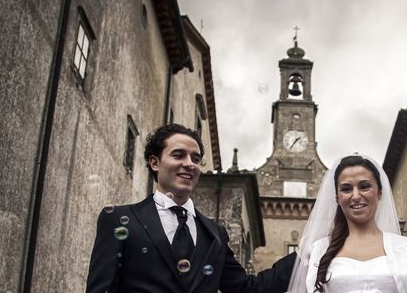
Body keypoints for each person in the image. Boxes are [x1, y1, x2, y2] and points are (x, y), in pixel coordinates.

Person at [86, 123, 295, 293]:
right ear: (155, 163)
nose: (190, 164)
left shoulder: (215, 234)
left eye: (196, 158)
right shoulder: (120, 219)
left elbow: (248, 289)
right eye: (178, 155)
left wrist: (305, 254)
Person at [287, 154, 407, 293]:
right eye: (346, 189)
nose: (355, 196)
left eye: (364, 186)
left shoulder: (405, 248)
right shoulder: (318, 250)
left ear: (379, 192)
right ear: (337, 198)